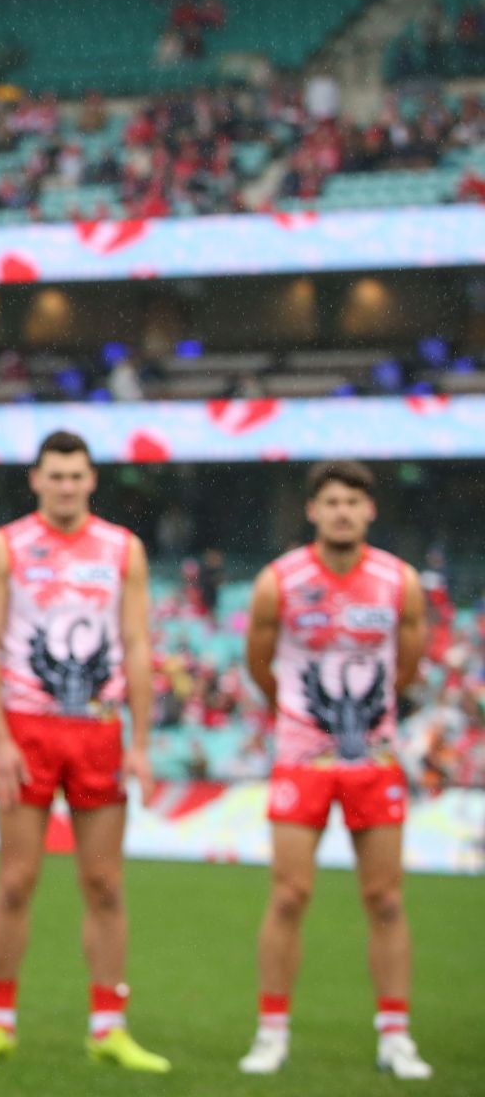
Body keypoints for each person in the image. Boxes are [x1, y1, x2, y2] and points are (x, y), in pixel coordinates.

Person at [0, 430, 168, 1072]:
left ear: (92, 481)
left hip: (98, 730)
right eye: (56, 475)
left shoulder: (122, 550)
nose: (67, 485)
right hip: (27, 730)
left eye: (77, 475)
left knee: (104, 883)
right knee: (16, 882)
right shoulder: (6, 547)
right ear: (37, 481)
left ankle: (108, 1027)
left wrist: (143, 742)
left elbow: (136, 647)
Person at [237, 461, 432, 1079]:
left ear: (369, 511)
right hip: (301, 760)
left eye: (353, 501)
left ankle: (395, 1036)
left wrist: (361, 724)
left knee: (386, 900)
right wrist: (301, 720)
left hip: (373, 761)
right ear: (313, 512)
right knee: (290, 895)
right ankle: (272, 1032)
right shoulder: (279, 582)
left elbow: (406, 668)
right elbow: (261, 665)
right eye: (332, 501)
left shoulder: (399, 583)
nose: (343, 511)